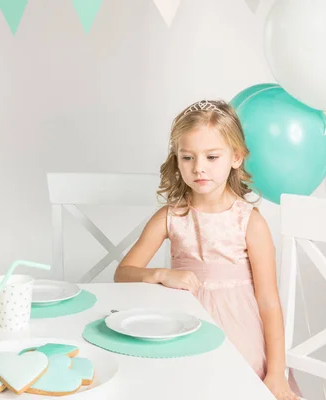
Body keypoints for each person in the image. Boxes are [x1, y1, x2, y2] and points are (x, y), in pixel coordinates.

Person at [114, 99, 300, 400]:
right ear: (177, 159)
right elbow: (122, 274)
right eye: (187, 157)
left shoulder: (249, 222)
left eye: (212, 157)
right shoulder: (170, 218)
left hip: (239, 334)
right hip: (182, 326)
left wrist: (277, 374)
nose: (199, 168)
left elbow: (268, 301)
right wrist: (161, 274)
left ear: (236, 157)